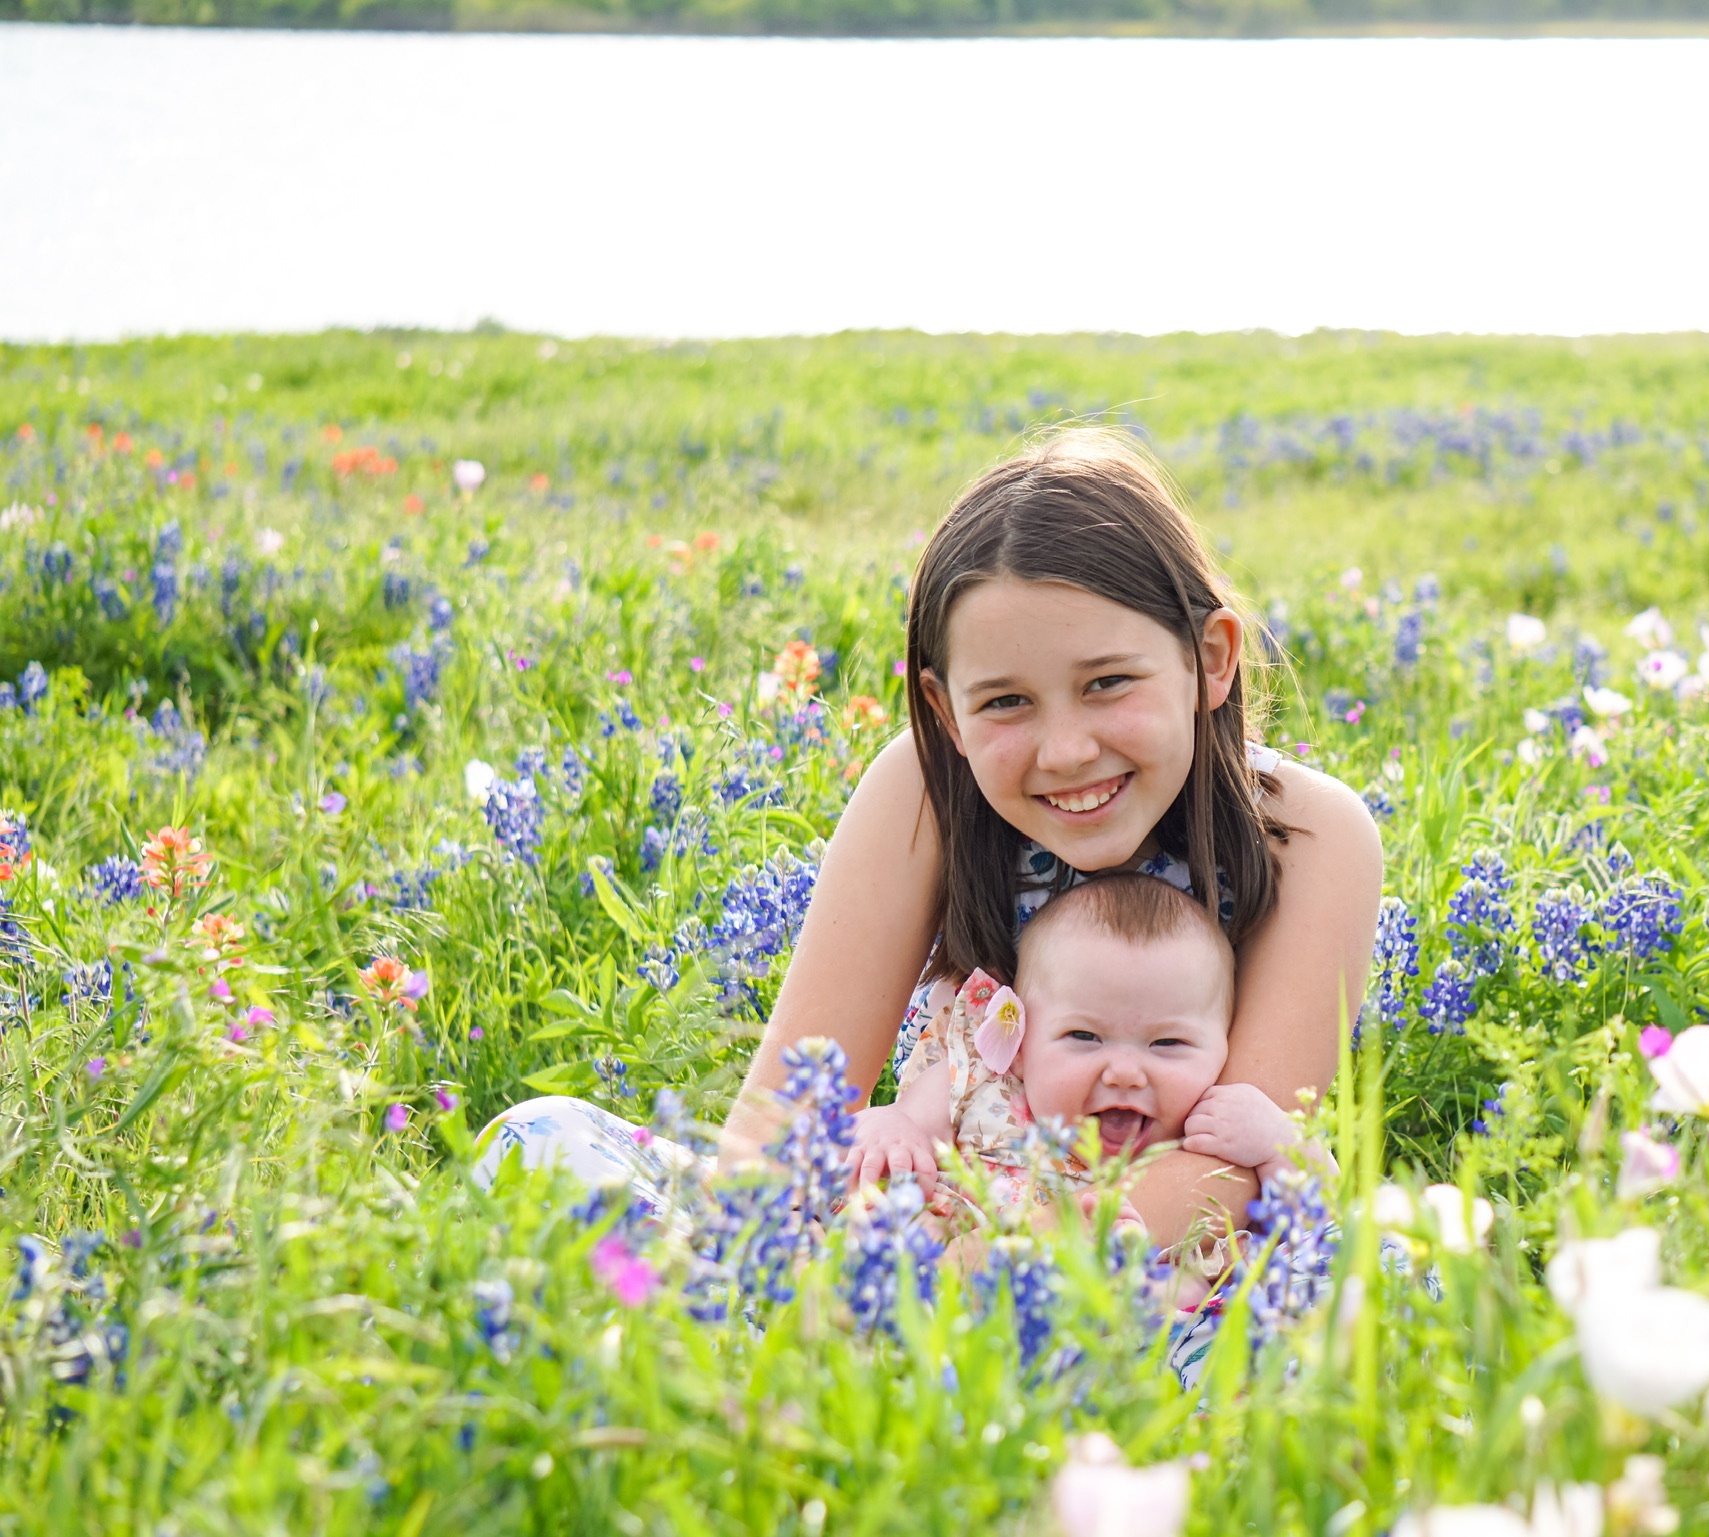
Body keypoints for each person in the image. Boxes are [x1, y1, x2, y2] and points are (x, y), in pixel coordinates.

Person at [480, 428, 1383, 1254]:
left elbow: (1227, 1170)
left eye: (1108, 681)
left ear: (1211, 658)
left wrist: (1000, 1267)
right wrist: (786, 1249)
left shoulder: (1306, 834)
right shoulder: (924, 791)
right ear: (945, 710)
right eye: (1005, 701)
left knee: (1321, 1320)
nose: (1066, 749)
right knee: (540, 1138)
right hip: (928, 1209)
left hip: (1148, 1262)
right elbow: (788, 1113)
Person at [864, 871, 1328, 1231]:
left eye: (1168, 1043)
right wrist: (894, 1126)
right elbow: (907, 1124)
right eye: (1084, 1037)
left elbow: (1327, 1216)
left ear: (1224, 1050)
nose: (1124, 1073)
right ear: (1021, 1043)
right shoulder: (990, 1083)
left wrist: (1279, 1144)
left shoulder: (1206, 1138)